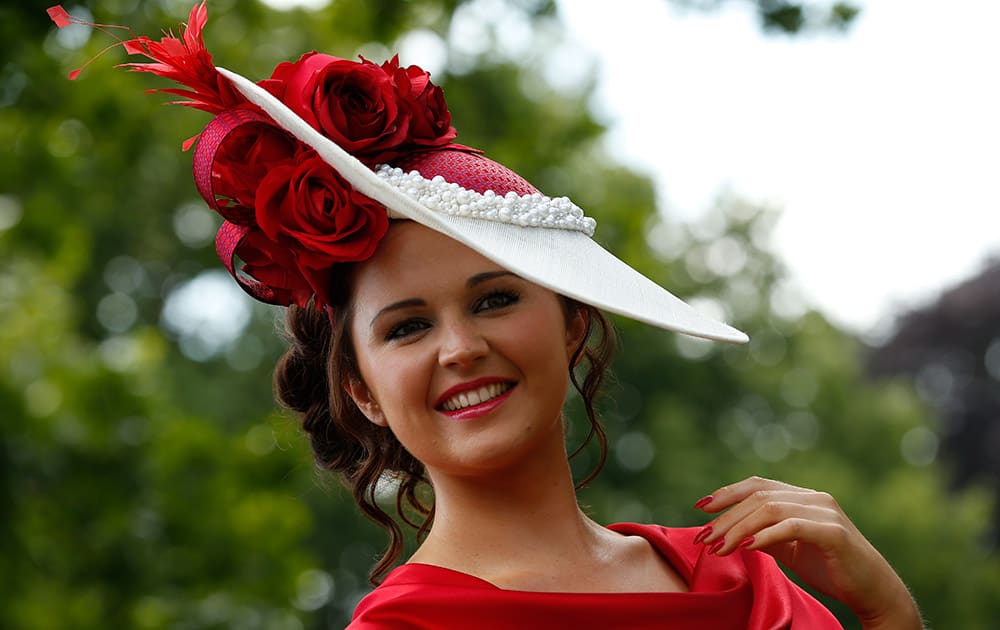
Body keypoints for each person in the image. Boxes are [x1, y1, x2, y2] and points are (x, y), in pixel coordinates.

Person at [51, 3, 923, 628]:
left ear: (573, 321)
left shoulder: (739, 585)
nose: (461, 348)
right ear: (360, 387)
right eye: (406, 326)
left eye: (496, 299)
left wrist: (886, 609)